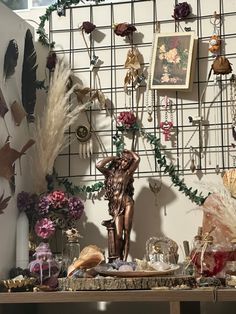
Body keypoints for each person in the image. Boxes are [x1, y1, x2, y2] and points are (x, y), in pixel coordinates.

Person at [96, 149, 140, 261]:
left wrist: (130, 152)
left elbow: (137, 159)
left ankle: (124, 260)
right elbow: (99, 165)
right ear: (120, 161)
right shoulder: (111, 173)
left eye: (128, 162)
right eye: (124, 161)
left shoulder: (128, 173)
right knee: (119, 234)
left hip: (127, 202)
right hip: (116, 205)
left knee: (127, 232)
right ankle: (118, 259)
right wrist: (113, 157)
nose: (126, 163)